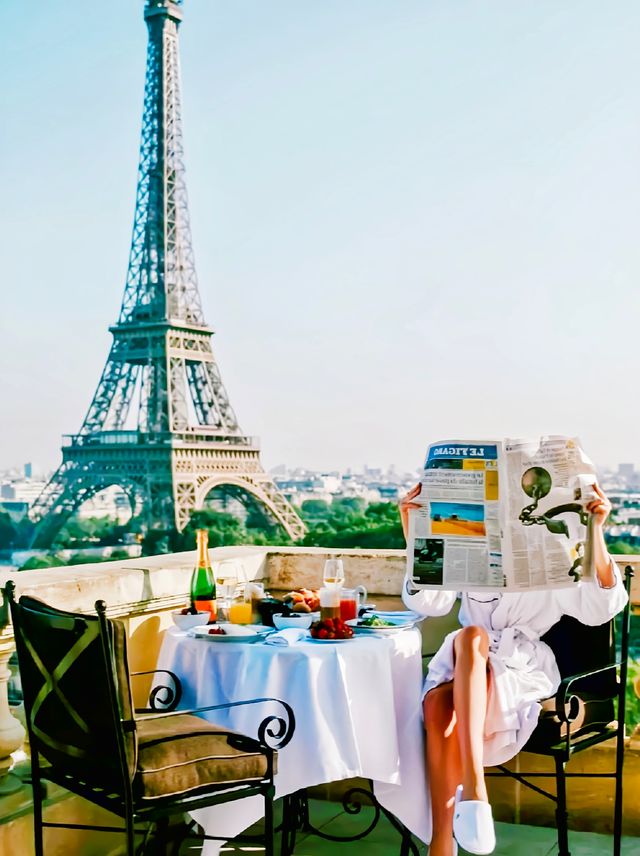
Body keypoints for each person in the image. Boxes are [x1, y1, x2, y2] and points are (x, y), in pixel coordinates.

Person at [399, 483, 628, 856]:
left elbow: (600, 609)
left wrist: (595, 529)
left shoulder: (556, 546)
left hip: (523, 666)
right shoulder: (468, 537)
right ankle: (463, 810)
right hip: (467, 659)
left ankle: (450, 829)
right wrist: (415, 531)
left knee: (441, 702)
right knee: (470, 638)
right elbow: (431, 601)